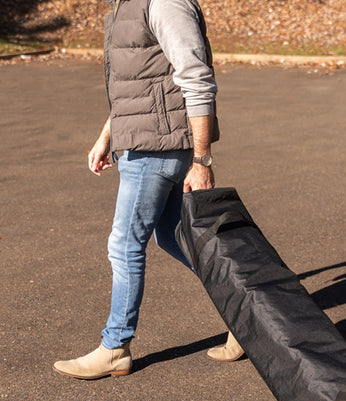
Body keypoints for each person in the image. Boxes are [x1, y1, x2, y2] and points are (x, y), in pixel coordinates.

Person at [53, 0, 242, 380]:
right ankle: (245, 311)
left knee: (124, 245)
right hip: (145, 142)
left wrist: (202, 160)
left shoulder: (165, 3)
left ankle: (115, 347)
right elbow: (137, 86)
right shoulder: (127, 6)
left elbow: (196, 78)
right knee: (172, 237)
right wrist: (107, 136)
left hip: (158, 148)